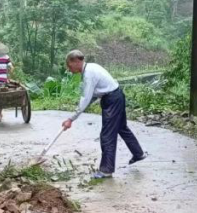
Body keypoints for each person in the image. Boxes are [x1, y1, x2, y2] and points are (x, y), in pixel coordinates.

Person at [61, 50, 146, 178]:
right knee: (122, 128)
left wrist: (71, 119)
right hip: (117, 96)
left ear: (76, 61)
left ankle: (106, 170)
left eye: (69, 65)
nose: (69, 68)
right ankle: (138, 153)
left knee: (107, 135)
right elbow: (92, 96)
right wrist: (77, 113)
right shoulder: (91, 68)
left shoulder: (89, 74)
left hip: (112, 100)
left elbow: (85, 98)